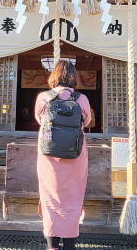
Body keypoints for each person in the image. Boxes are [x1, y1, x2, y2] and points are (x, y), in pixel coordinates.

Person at [35, 59, 92, 250]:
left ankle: (52, 246)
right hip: (75, 155)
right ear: (73, 77)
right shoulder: (81, 99)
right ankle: (69, 245)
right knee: (73, 198)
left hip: (49, 156)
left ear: (54, 75)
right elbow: (87, 121)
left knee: (50, 197)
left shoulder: (43, 98)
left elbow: (39, 120)